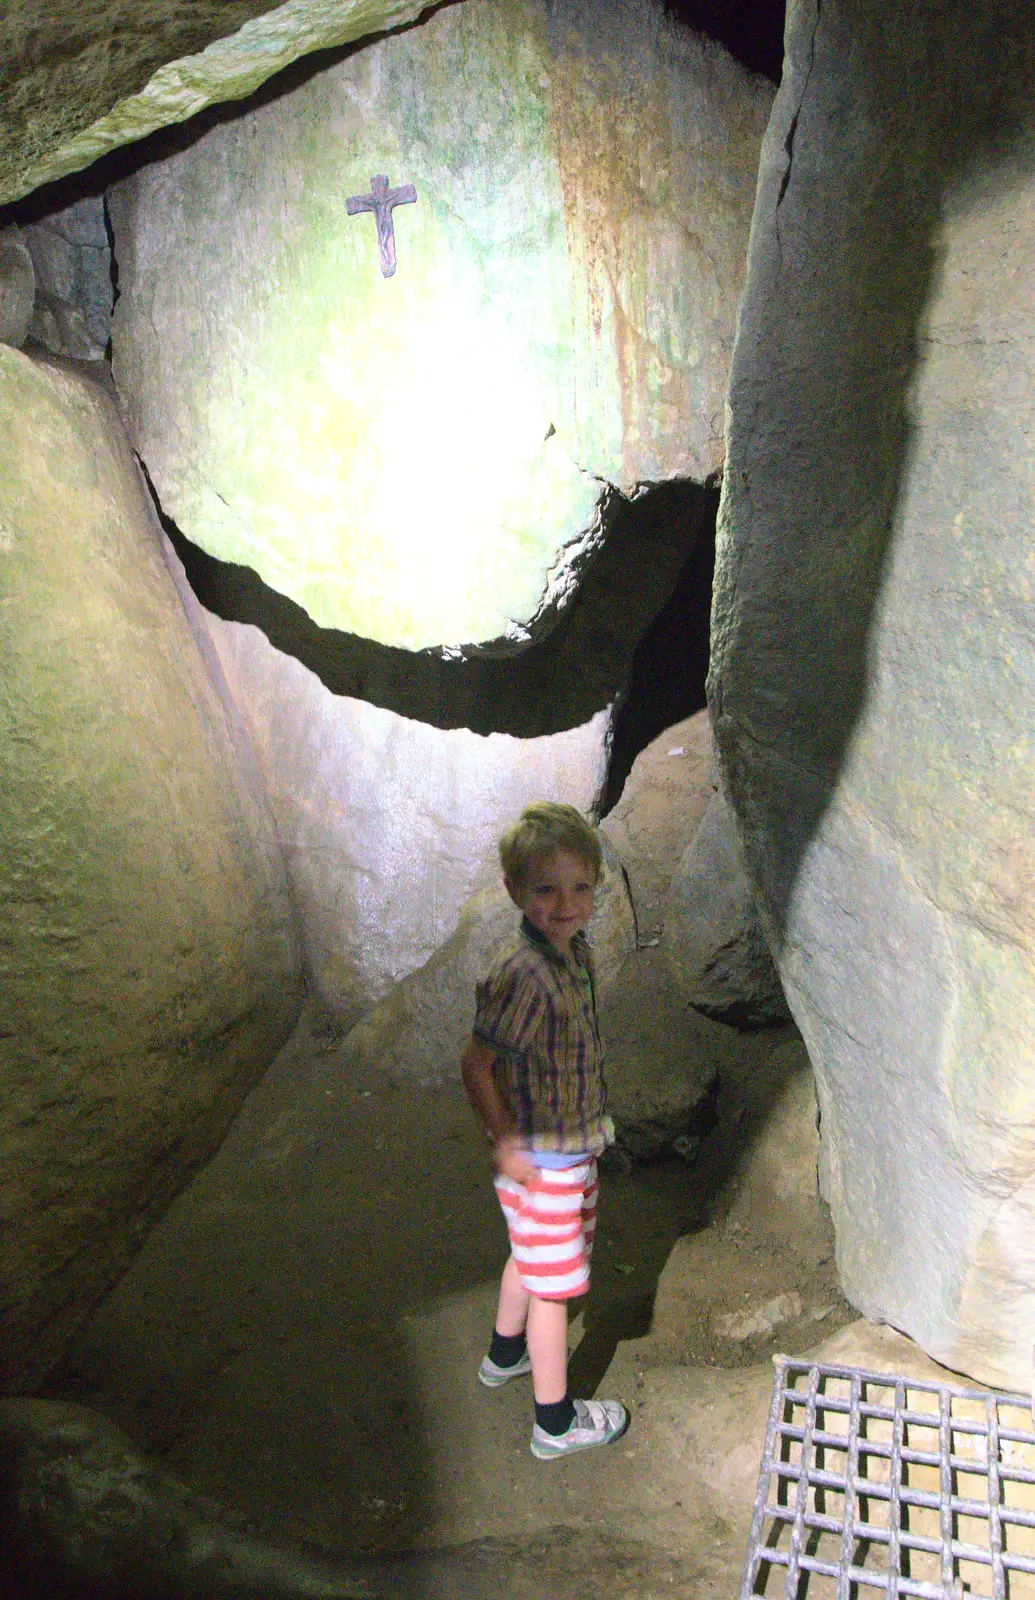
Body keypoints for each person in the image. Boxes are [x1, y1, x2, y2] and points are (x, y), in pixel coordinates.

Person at [460, 801, 629, 1460]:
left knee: (529, 1258)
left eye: (580, 887)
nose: (566, 903)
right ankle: (554, 1424)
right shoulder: (523, 975)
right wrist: (505, 1143)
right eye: (545, 889)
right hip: (546, 1156)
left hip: (566, 1145)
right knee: (556, 1290)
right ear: (513, 890)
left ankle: (505, 1355)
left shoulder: (570, 952)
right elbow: (476, 1065)